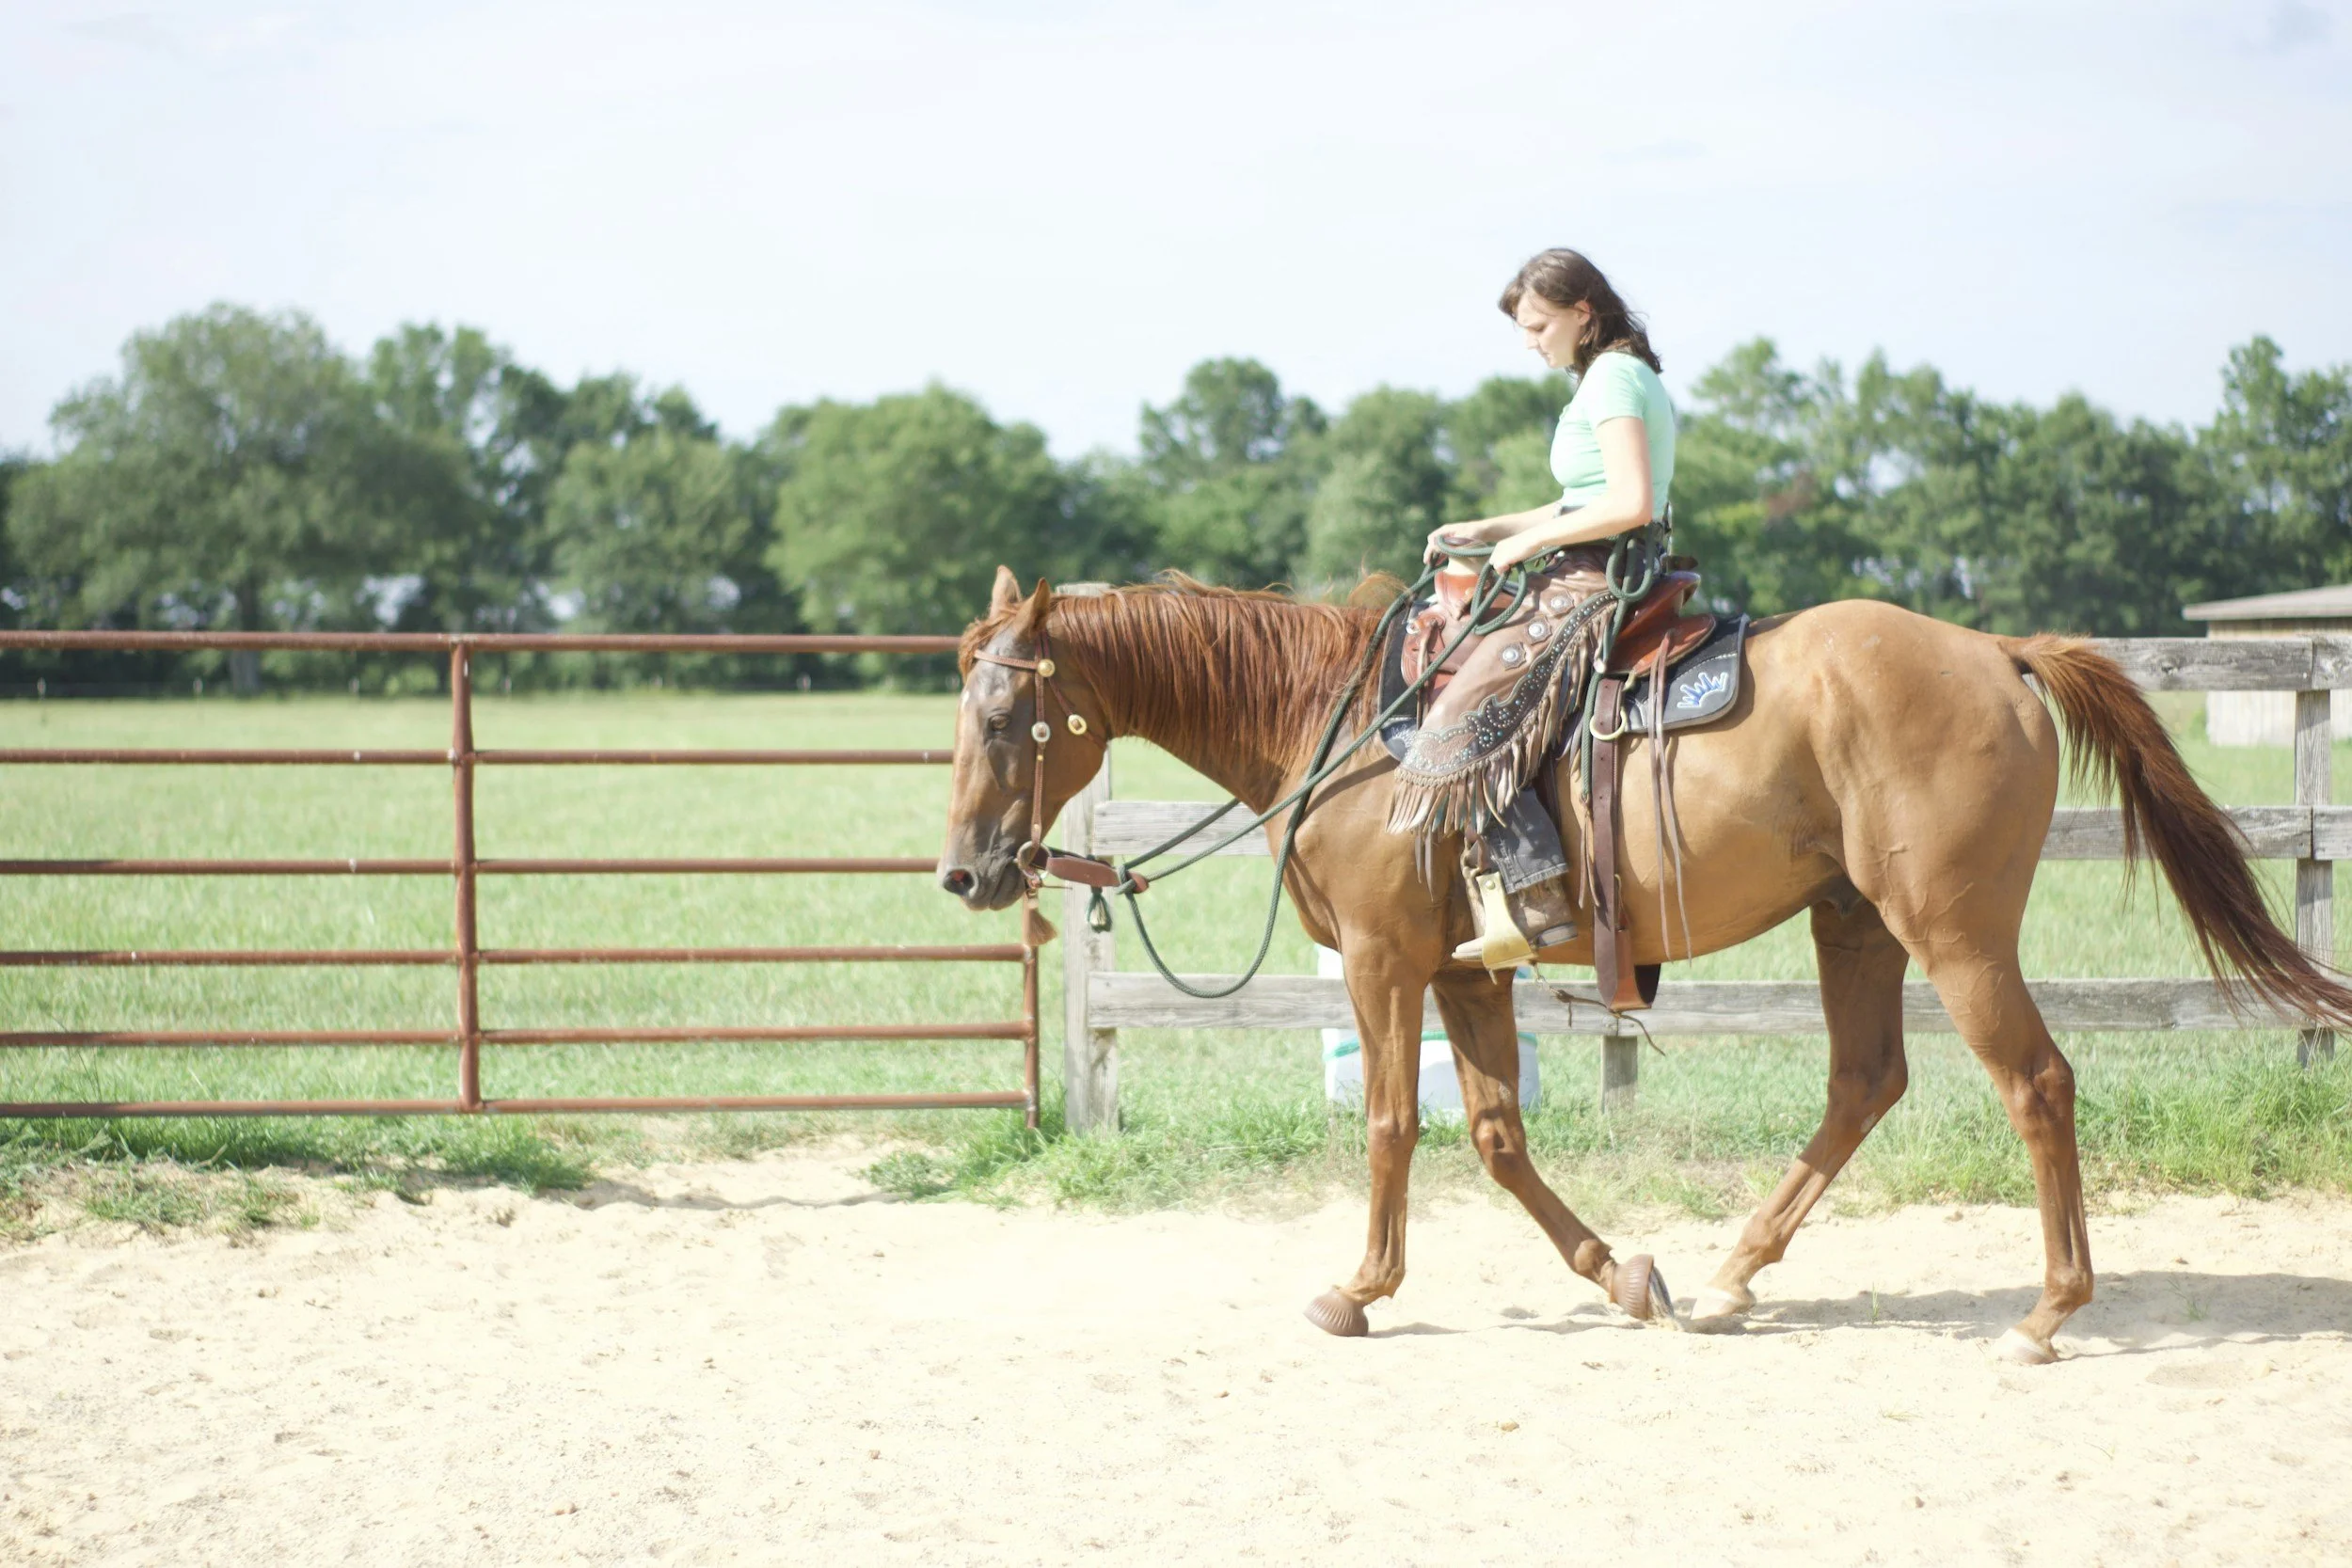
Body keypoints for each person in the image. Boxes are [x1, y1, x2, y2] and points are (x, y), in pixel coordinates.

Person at [1389, 248, 1679, 968]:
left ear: (1583, 312)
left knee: (1459, 716)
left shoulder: (1611, 376)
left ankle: (1537, 890)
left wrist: (1531, 545)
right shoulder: (1606, 377)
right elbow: (1577, 500)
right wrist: (1490, 531)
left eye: (1538, 325)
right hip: (1589, 559)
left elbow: (1631, 502)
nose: (1530, 342)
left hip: (1596, 576)